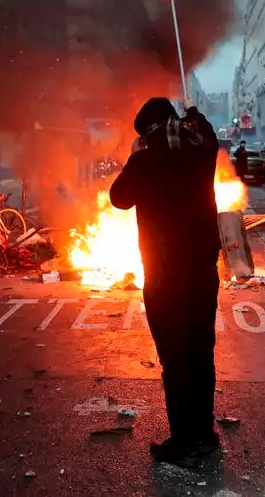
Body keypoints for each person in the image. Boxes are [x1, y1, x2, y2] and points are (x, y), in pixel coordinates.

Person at [110, 98, 222, 469]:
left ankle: (184, 443)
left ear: (145, 132)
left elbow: (118, 198)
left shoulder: (146, 159)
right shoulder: (200, 152)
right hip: (202, 273)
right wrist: (196, 117)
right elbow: (211, 139)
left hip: (164, 278)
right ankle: (203, 435)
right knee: (201, 354)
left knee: (175, 361)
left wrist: (135, 154)